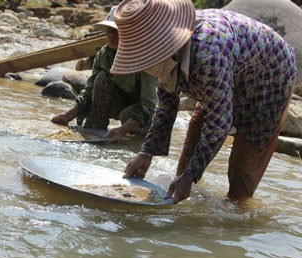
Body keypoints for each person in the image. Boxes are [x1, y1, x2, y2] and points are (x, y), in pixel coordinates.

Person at [111, 0, 297, 203]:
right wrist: (146, 153)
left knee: (242, 169)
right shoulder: (165, 53)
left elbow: (219, 125)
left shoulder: (209, 54)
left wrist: (189, 177)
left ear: (164, 47)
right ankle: (181, 195)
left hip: (269, 77)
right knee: (188, 154)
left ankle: (237, 215)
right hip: (231, 67)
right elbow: (166, 105)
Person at [51, 6, 157, 142]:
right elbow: (89, 90)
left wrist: (122, 130)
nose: (111, 35)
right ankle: (98, 130)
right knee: (101, 79)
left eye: (116, 31)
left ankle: (133, 137)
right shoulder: (104, 54)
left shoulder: (144, 59)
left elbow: (148, 105)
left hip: (138, 113)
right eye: (110, 30)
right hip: (117, 103)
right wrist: (69, 114)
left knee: (131, 126)